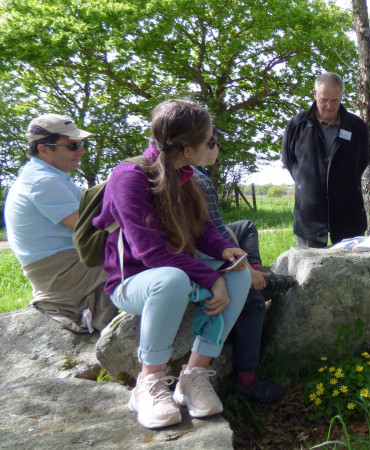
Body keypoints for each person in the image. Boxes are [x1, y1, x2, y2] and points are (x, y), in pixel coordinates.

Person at [93, 99, 250, 429]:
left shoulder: (184, 174)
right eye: (210, 140)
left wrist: (224, 251)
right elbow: (151, 254)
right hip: (132, 283)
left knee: (238, 275)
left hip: (175, 274)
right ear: (187, 148)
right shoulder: (129, 177)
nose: (215, 145)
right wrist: (209, 278)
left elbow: (203, 229)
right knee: (172, 279)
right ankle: (149, 382)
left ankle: (192, 375)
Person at [193, 126, 293, 404]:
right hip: (196, 257)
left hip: (199, 247)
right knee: (252, 302)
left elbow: (213, 229)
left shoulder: (194, 174)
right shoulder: (197, 179)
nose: (218, 146)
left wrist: (247, 264)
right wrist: (245, 270)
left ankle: (261, 273)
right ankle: (246, 382)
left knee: (245, 226)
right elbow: (212, 234)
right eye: (214, 141)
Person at [4, 114, 117, 333]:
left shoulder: (49, 176)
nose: (81, 151)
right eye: (73, 145)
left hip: (67, 263)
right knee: (146, 260)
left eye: (81, 144)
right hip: (61, 270)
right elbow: (91, 229)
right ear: (43, 149)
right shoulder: (43, 181)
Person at [281, 72, 370, 247]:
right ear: (315, 94)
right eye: (323, 100)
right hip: (309, 218)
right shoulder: (297, 125)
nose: (329, 106)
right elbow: (290, 162)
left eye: (334, 101)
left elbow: (363, 161)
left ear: (341, 97)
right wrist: (312, 183)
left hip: (348, 218)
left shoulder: (356, 126)